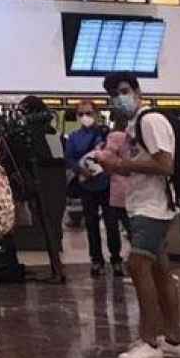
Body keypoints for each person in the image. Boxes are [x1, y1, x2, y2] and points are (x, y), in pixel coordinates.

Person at [97, 73, 180, 358]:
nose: (118, 98)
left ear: (136, 91)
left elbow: (164, 164)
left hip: (154, 207)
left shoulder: (150, 121)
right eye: (113, 94)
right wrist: (112, 166)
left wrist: (121, 162)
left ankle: (150, 341)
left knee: (137, 265)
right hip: (141, 204)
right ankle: (172, 339)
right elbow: (138, 166)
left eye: (123, 91)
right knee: (160, 271)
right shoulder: (134, 126)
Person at [64, 101, 120, 277]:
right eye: (80, 114)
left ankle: (116, 259)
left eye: (88, 113)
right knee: (91, 224)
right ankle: (96, 260)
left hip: (107, 183)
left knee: (111, 223)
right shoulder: (74, 137)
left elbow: (115, 153)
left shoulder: (106, 133)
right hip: (86, 185)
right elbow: (69, 158)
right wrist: (81, 170)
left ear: (96, 113)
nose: (84, 117)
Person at [101, 103, 134, 279]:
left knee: (113, 228)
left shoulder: (115, 137)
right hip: (133, 188)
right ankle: (138, 261)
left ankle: (117, 261)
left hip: (117, 190)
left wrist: (99, 156)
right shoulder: (133, 136)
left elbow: (106, 159)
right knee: (132, 229)